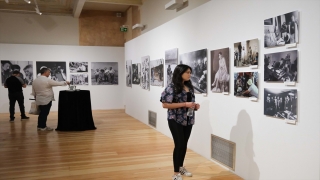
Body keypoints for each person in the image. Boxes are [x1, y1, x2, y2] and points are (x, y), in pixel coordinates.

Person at [160, 64, 200, 180]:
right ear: (180, 73)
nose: (190, 74)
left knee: (184, 144)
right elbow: (165, 104)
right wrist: (185, 104)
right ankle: (176, 173)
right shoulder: (172, 87)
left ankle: (181, 167)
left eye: (190, 72)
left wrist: (195, 106)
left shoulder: (189, 87)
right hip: (175, 118)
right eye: (187, 72)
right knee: (179, 144)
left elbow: (190, 102)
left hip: (188, 118)